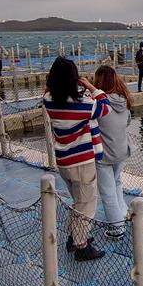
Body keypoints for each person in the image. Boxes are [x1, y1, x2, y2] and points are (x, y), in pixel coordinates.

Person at [43, 57, 110, 261]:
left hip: (64, 160)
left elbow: (52, 92)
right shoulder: (81, 105)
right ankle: (81, 246)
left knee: (78, 200)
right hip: (81, 162)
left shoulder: (48, 99)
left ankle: (74, 237)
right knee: (87, 203)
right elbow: (104, 106)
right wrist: (90, 86)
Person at [92, 65, 132, 239]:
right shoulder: (124, 100)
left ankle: (116, 228)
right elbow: (128, 122)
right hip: (122, 150)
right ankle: (123, 213)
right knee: (116, 183)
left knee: (107, 191)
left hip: (104, 154)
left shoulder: (99, 103)